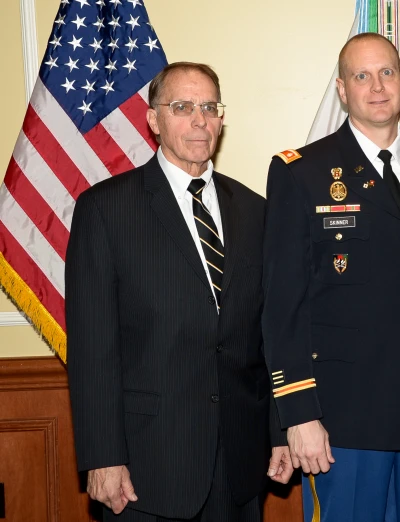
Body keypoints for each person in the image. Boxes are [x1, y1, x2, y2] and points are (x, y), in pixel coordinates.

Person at [66, 62, 292, 522]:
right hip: (146, 469)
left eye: (210, 107)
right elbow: (93, 349)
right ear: (153, 120)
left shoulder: (255, 211)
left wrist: (279, 431)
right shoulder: (106, 210)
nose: (199, 120)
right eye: (182, 107)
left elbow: (269, 337)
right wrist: (102, 456)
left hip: (238, 466)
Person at [262, 33, 400, 522]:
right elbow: (282, 306)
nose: (377, 86)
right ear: (342, 88)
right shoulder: (302, 173)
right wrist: (298, 414)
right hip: (343, 422)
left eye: (387, 73)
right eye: (362, 75)